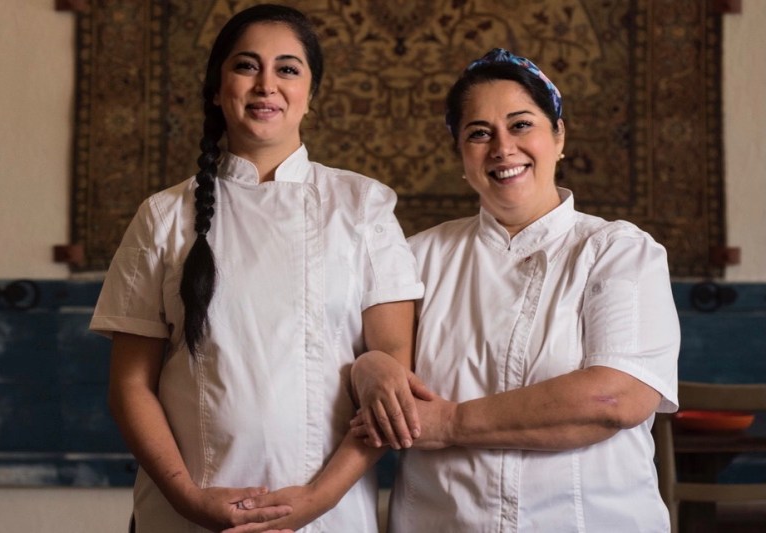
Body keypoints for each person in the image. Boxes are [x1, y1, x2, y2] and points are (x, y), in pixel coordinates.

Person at [89, 4, 423, 532]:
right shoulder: (162, 216)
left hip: (327, 515)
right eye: (247, 66)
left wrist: (317, 498)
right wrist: (187, 499)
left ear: (310, 94)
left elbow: (391, 384)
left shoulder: (364, 207)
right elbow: (130, 387)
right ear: (217, 88)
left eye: (288, 69)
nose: (267, 85)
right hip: (187, 515)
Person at [351, 48, 681, 532]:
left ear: (559, 135)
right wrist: (367, 366)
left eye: (521, 124)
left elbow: (615, 400)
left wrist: (450, 423)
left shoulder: (618, 251)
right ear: (461, 156)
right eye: (479, 133)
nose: (503, 148)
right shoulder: (414, 258)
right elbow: (361, 367)